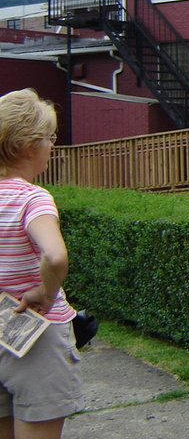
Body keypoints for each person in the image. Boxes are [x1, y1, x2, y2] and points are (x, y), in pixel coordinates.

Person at [0, 89, 80, 439]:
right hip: (37, 337)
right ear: (29, 146)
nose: (52, 146)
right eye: (50, 138)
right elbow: (55, 255)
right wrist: (45, 293)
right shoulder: (33, 199)